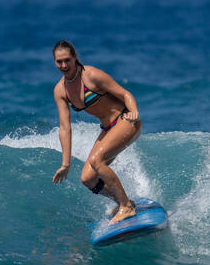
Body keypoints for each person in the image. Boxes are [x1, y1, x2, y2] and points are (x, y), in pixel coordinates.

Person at [51, 40, 142, 224]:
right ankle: (123, 201)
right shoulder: (61, 91)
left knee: (96, 161)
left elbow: (125, 94)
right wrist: (65, 164)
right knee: (87, 178)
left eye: (67, 60)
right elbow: (65, 127)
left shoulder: (91, 75)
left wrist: (134, 111)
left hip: (126, 120)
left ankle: (125, 207)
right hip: (108, 128)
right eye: (59, 61)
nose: (63, 65)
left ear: (75, 57)